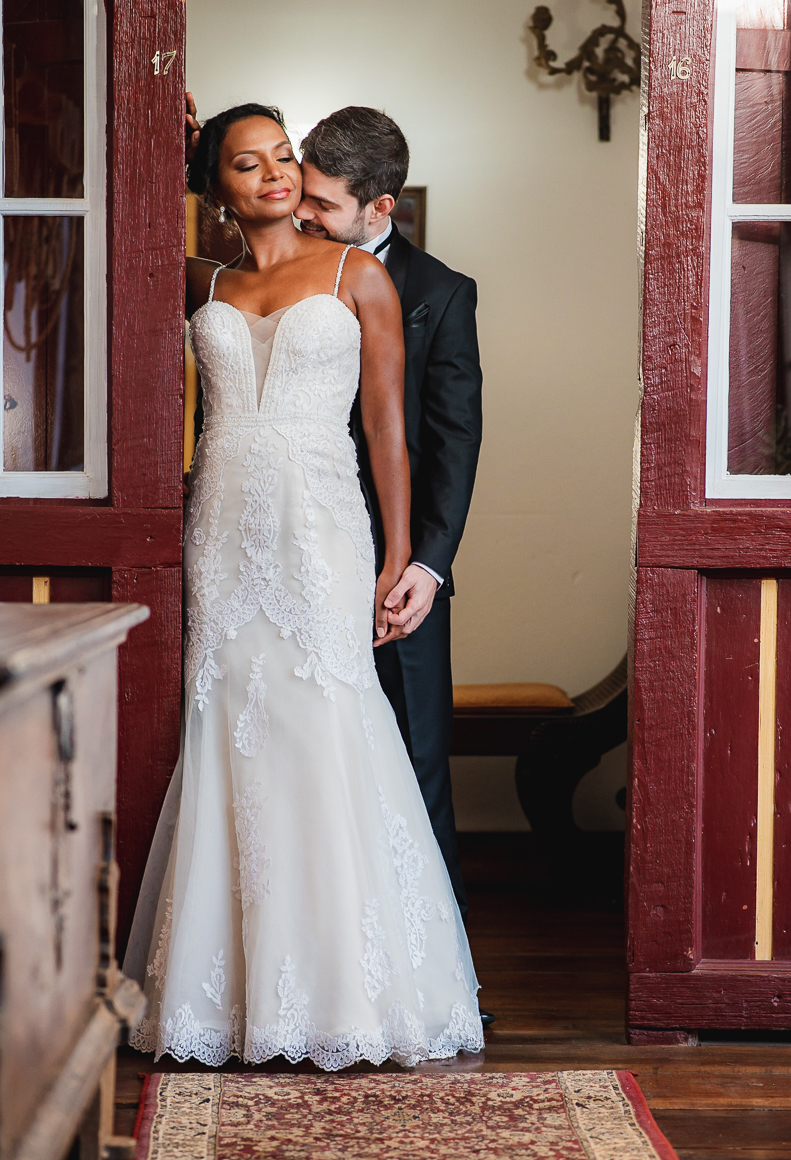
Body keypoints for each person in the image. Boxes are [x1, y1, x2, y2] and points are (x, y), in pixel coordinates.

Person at [123, 103, 483, 1069]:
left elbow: (389, 434)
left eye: (284, 155)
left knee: (326, 725)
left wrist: (399, 559)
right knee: (229, 731)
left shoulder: (356, 274)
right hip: (223, 531)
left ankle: (345, 990)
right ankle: (233, 993)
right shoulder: (206, 282)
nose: (278, 173)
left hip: (323, 534)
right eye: (250, 163)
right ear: (219, 189)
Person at [294, 109, 483, 928]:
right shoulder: (278, 269)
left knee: (414, 763)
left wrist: (426, 567)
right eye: (303, 194)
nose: (305, 215)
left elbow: (454, 438)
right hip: (295, 545)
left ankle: (439, 961)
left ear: (381, 207)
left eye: (324, 205)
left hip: (393, 567)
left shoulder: (440, 293)